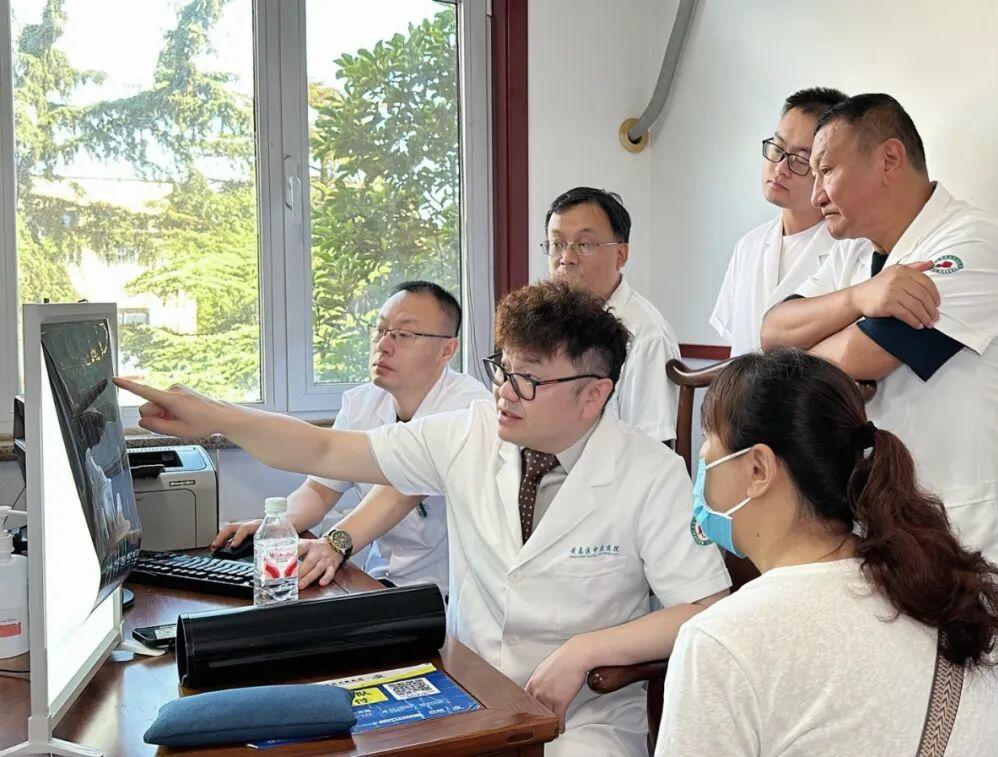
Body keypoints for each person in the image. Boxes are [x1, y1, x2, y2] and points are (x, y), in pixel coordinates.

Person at [116, 280, 732, 756]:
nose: (504, 393)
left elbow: (705, 606)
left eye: (528, 381)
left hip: (586, 716)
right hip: (468, 691)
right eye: (503, 370)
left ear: (593, 393)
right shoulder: (468, 434)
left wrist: (586, 650)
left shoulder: (650, 473)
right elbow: (326, 451)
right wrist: (218, 416)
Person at [760, 93, 998, 755]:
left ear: (889, 159)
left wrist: (823, 347)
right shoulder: (854, 257)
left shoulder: (970, 242)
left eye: (827, 168)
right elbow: (772, 330)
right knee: (906, 725)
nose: (816, 189)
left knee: (991, 727)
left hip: (974, 532)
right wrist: (861, 296)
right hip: (894, 529)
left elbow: (861, 359)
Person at [656, 348, 998, 756]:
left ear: (758, 469)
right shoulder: (929, 589)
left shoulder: (721, 642)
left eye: (709, 444)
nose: (702, 462)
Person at [211, 282, 488, 596]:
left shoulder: (467, 407)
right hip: (382, 580)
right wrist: (274, 526)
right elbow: (319, 490)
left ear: (447, 350)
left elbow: (400, 490)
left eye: (404, 335)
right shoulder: (362, 403)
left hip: (451, 592)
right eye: (380, 330)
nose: (384, 345)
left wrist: (334, 543)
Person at [711, 87, 868, 356]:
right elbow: (736, 346)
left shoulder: (854, 249)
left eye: (800, 160)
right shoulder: (749, 246)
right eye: (778, 148)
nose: (780, 168)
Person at [544, 187, 680, 443]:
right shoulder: (549, 323)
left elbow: (651, 450)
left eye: (584, 245)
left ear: (620, 255)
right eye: (557, 244)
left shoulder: (646, 336)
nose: (566, 258)